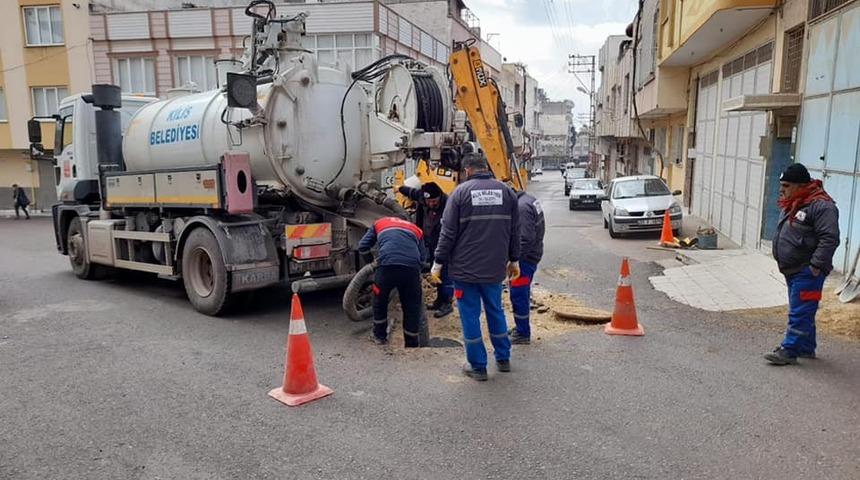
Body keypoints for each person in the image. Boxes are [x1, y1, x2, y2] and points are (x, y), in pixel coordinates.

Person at [433, 152, 520, 381]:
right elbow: (514, 231)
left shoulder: (459, 193)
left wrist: (438, 262)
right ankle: (503, 358)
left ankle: (478, 366)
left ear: (467, 171)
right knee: (495, 310)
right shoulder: (507, 192)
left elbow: (448, 233)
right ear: (485, 167)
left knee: (470, 315)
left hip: (464, 271)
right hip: (494, 269)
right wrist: (514, 259)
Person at [766, 163, 840, 365]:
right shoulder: (794, 202)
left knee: (799, 311)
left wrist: (815, 266)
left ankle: (789, 350)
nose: (782, 189)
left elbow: (830, 239)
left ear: (800, 185)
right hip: (793, 270)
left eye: (787, 185)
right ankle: (806, 348)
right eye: (781, 185)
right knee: (804, 309)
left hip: (808, 273)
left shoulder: (822, 206)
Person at [358, 216, 427, 348]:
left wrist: (371, 264)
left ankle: (379, 336)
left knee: (380, 301)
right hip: (411, 270)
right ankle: (411, 344)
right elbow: (423, 259)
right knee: (412, 306)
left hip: (386, 267)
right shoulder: (416, 229)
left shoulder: (379, 223)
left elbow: (362, 246)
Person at [398, 182, 454, 318]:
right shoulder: (422, 198)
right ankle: (439, 300)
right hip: (429, 242)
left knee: (445, 274)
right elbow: (411, 192)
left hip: (444, 244)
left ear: (439, 196)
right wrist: (399, 188)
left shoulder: (449, 205)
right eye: (429, 201)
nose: (431, 204)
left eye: (434, 201)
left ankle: (447, 302)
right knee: (435, 275)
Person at [508, 189, 546, 345]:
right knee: (520, 293)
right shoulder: (529, 199)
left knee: (518, 295)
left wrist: (513, 261)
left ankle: (523, 333)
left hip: (525, 260)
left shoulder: (521, 208)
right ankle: (520, 327)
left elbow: (525, 239)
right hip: (532, 254)